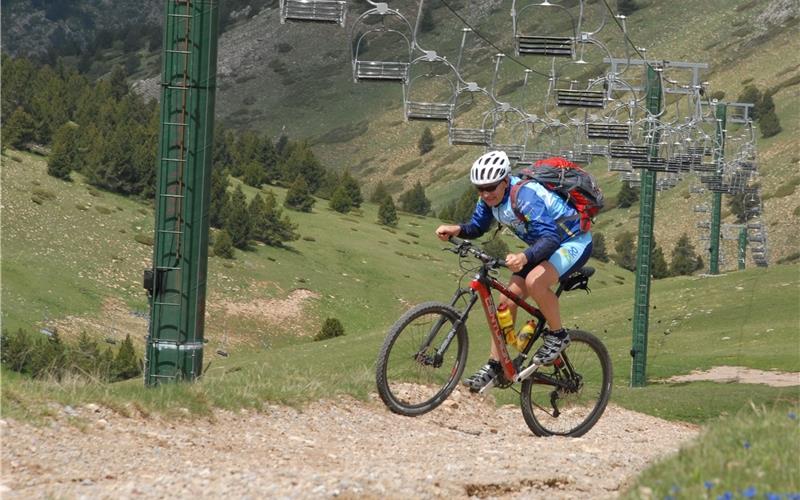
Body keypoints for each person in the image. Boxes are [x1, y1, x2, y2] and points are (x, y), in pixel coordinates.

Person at [435, 150, 593, 392]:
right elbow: (478, 226)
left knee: (535, 282)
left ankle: (559, 335)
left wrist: (524, 256)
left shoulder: (525, 197)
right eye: (480, 188)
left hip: (573, 242)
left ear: (505, 181)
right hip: (546, 244)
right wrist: (456, 229)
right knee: (506, 301)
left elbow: (550, 238)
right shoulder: (489, 199)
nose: (486, 193)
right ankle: (495, 365)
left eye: (491, 187)